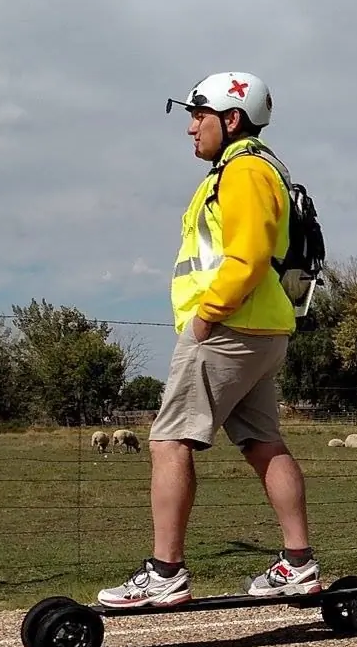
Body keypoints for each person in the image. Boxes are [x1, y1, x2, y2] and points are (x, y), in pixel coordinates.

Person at [96, 71, 318, 608]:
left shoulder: (242, 171)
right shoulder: (263, 169)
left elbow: (244, 257)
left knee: (168, 441)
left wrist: (205, 317)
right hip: (265, 328)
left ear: (231, 118)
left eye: (199, 115)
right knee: (263, 442)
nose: (191, 127)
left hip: (228, 328)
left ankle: (165, 571)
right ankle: (299, 563)